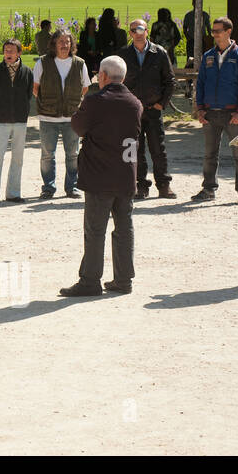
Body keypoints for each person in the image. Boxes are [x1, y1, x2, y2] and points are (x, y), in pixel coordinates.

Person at [59, 56, 143, 296]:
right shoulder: (135, 102)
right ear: (123, 78)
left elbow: (78, 126)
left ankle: (90, 280)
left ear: (104, 76)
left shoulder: (96, 101)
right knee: (124, 228)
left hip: (100, 174)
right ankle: (124, 279)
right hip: (126, 174)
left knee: (95, 230)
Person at [191, 17, 238, 204]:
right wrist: (200, 109)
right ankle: (209, 189)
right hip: (210, 114)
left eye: (218, 30)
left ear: (228, 32)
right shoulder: (208, 55)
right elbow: (200, 83)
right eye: (213, 31)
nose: (214, 34)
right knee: (210, 154)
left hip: (232, 114)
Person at [118, 18, 177, 199]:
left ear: (147, 30)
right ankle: (141, 186)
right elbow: (116, 81)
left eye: (140, 29)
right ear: (130, 33)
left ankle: (164, 184)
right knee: (136, 150)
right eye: (133, 30)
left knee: (158, 149)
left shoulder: (159, 53)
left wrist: (162, 103)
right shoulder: (123, 55)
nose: (137, 33)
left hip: (153, 109)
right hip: (132, 111)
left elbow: (170, 81)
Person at [32, 30, 89, 199]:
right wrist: (48, 103)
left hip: (72, 117)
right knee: (47, 155)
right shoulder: (43, 62)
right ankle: (48, 187)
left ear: (72, 44)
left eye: (67, 41)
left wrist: (72, 103)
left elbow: (85, 88)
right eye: (61, 41)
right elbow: (36, 88)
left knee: (73, 155)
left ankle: (72, 187)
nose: (64, 45)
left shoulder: (79, 63)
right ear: (54, 44)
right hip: (48, 117)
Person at [0, 39, 31, 204]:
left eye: (12, 50)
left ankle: (13, 193)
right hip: (2, 119)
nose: (8, 53)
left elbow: (28, 94)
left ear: (19, 53)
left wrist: (22, 111)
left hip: (20, 120)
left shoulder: (27, 72)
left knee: (18, 157)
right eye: (6, 50)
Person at [183, 0, 211, 65]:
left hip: (202, 40)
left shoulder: (205, 15)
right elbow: (184, 28)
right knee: (190, 59)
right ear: (192, 3)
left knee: (203, 58)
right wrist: (188, 38)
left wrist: (208, 39)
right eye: (195, 2)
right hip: (191, 40)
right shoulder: (188, 15)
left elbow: (209, 28)